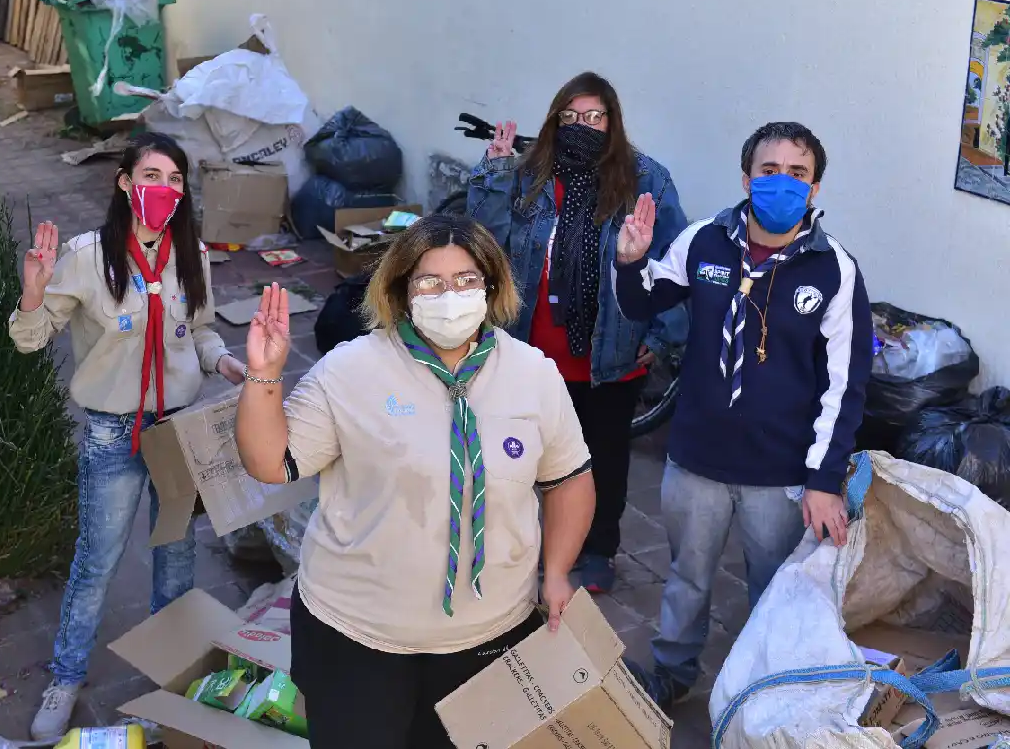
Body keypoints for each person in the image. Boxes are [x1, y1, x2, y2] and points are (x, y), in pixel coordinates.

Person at [236, 214, 595, 749]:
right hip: (355, 638)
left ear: (492, 288)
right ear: (401, 290)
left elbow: (569, 480)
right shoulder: (350, 370)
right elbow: (270, 463)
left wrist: (559, 571)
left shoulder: (533, 374)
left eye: (467, 280)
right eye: (430, 282)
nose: (450, 296)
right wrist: (264, 374)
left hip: (488, 639)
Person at [613, 121, 873, 709]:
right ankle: (672, 673)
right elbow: (642, 302)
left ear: (815, 187)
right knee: (686, 577)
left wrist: (824, 479)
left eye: (798, 173)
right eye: (769, 170)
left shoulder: (834, 270)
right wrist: (630, 262)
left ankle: (760, 696)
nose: (782, 182)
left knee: (774, 592)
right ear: (747, 177)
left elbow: (846, 385)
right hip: (697, 458)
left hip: (780, 473)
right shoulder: (705, 241)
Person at [8, 132, 246, 741]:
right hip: (113, 435)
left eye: (173, 180)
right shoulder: (88, 257)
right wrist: (34, 291)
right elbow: (30, 340)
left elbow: (202, 330)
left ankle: (178, 673)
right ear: (123, 182)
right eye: (150, 176)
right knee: (97, 561)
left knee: (176, 558)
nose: (162, 189)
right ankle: (65, 677)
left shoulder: (189, 252)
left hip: (177, 432)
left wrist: (225, 364)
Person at [467, 72, 689, 594]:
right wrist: (495, 173)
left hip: (609, 353)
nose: (581, 127)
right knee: (521, 452)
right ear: (553, 122)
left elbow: (674, 261)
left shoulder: (645, 180)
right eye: (569, 118)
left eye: (593, 117)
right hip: (531, 346)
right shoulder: (529, 174)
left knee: (602, 457)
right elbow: (484, 241)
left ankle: (596, 552)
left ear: (612, 122)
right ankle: (523, 544)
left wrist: (660, 339)